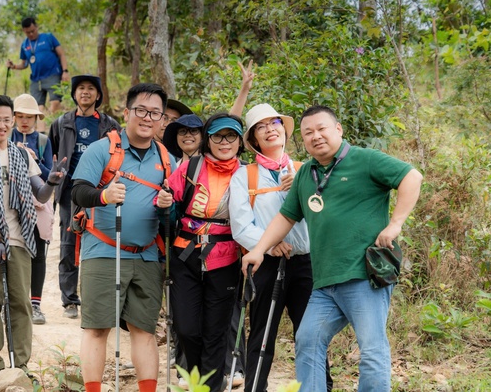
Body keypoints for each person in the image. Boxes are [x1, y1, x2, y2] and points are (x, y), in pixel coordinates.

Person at [242, 105, 423, 391]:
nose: (316, 136)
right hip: (324, 283)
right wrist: (259, 249)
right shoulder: (306, 174)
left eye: (322, 128)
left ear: (338, 129)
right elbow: (286, 217)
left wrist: (396, 223)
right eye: (308, 133)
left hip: (363, 276)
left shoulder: (364, 160)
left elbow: (411, 177)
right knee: (308, 340)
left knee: (371, 348)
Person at [72, 83, 175, 392]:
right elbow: (78, 191)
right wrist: (104, 195)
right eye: (141, 110)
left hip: (146, 255)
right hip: (104, 250)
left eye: (155, 113)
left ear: (161, 119)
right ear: (127, 112)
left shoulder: (167, 159)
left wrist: (169, 208)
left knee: (143, 330)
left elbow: (172, 220)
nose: (147, 118)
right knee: (97, 328)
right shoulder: (102, 149)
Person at [229, 103, 332, 392]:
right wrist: (268, 246)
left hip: (306, 264)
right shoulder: (244, 176)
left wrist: (301, 190)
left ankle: (321, 386)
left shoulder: (306, 170)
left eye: (274, 123)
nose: (270, 129)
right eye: (261, 127)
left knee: (311, 333)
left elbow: (324, 217)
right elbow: (240, 224)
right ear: (253, 141)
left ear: (284, 131)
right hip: (266, 263)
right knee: (262, 334)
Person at [0, 94, 66, 379]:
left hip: (20, 238)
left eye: (6, 120)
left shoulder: (22, 154)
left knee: (21, 302)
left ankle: (20, 365)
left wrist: (52, 180)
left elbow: (41, 194)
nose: (2, 125)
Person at [157, 112, 244, 392]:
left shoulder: (246, 174)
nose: (224, 141)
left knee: (216, 331)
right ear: (208, 140)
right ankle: (195, 379)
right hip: (186, 254)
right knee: (186, 328)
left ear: (240, 141)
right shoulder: (191, 168)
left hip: (227, 256)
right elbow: (169, 212)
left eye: (231, 136)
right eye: (218, 136)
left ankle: (211, 387)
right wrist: (165, 205)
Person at [48, 74, 121, 319]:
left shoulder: (110, 125)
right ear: (74, 94)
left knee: (101, 240)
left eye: (91, 89)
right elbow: (53, 153)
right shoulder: (62, 123)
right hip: (70, 192)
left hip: (100, 191)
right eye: (80, 89)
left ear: (98, 95)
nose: (85, 92)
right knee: (69, 244)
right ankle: (70, 300)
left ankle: (97, 297)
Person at [10, 94, 54, 325]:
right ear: (14, 117)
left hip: (39, 202)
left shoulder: (43, 141)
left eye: (29, 117)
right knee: (13, 250)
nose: (25, 121)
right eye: (20, 116)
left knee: (38, 252)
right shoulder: (6, 137)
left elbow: (49, 174)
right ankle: (13, 301)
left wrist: (34, 159)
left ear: (36, 119)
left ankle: (35, 304)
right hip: (11, 201)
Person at [6, 17, 70, 117]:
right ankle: (42, 131)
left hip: (52, 74)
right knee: (37, 108)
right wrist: (13, 66)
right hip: (36, 79)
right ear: (24, 31)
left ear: (37, 27)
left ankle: (52, 122)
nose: (31, 34)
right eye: (28, 32)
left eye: (33, 31)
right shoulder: (24, 45)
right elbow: (24, 64)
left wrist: (65, 71)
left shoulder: (48, 37)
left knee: (55, 102)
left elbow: (61, 54)